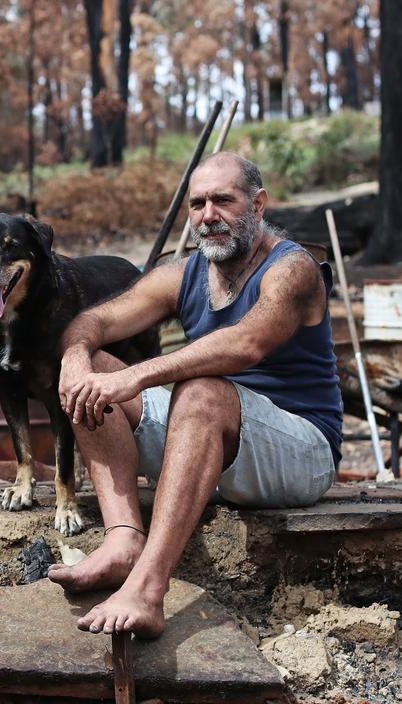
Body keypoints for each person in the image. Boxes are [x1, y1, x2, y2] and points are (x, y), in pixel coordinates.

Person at [48, 151, 342, 639]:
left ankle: (147, 589)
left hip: (299, 451)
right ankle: (123, 539)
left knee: (202, 390)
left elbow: (246, 344)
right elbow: (94, 321)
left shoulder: (293, 269)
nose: (209, 215)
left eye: (223, 201)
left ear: (259, 204)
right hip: (210, 435)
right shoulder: (184, 273)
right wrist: (76, 355)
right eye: (198, 203)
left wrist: (139, 375)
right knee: (94, 372)